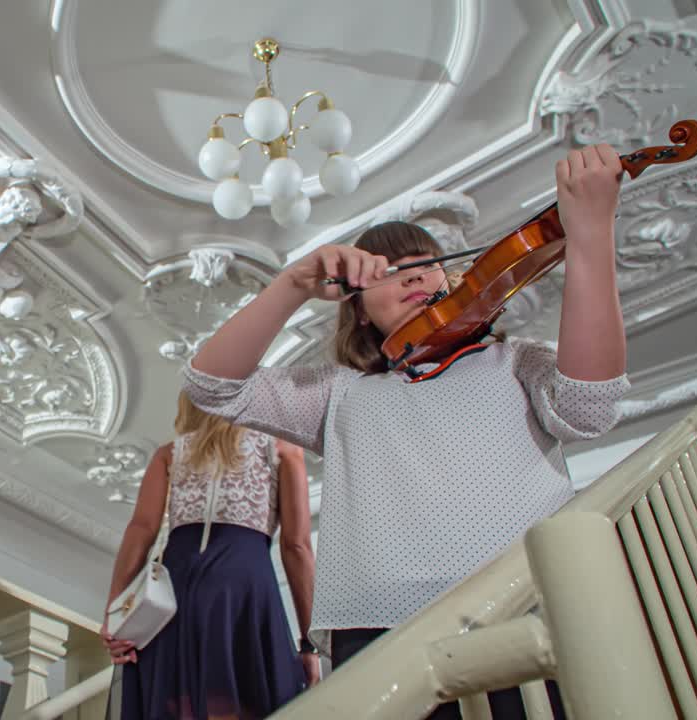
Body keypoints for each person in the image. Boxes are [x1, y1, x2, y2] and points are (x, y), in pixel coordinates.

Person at [181, 146, 631, 719]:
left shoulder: (514, 360)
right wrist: (293, 282)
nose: (416, 273)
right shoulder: (337, 390)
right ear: (359, 309)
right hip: (377, 627)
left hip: (526, 606)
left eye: (428, 263)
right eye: (391, 270)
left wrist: (591, 232)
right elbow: (211, 385)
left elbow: (589, 406)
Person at [101, 392, 320, 719]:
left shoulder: (170, 454)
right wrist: (309, 642)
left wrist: (115, 611)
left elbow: (141, 529)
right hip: (241, 586)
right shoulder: (281, 448)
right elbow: (297, 546)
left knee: (178, 703)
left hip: (173, 593)